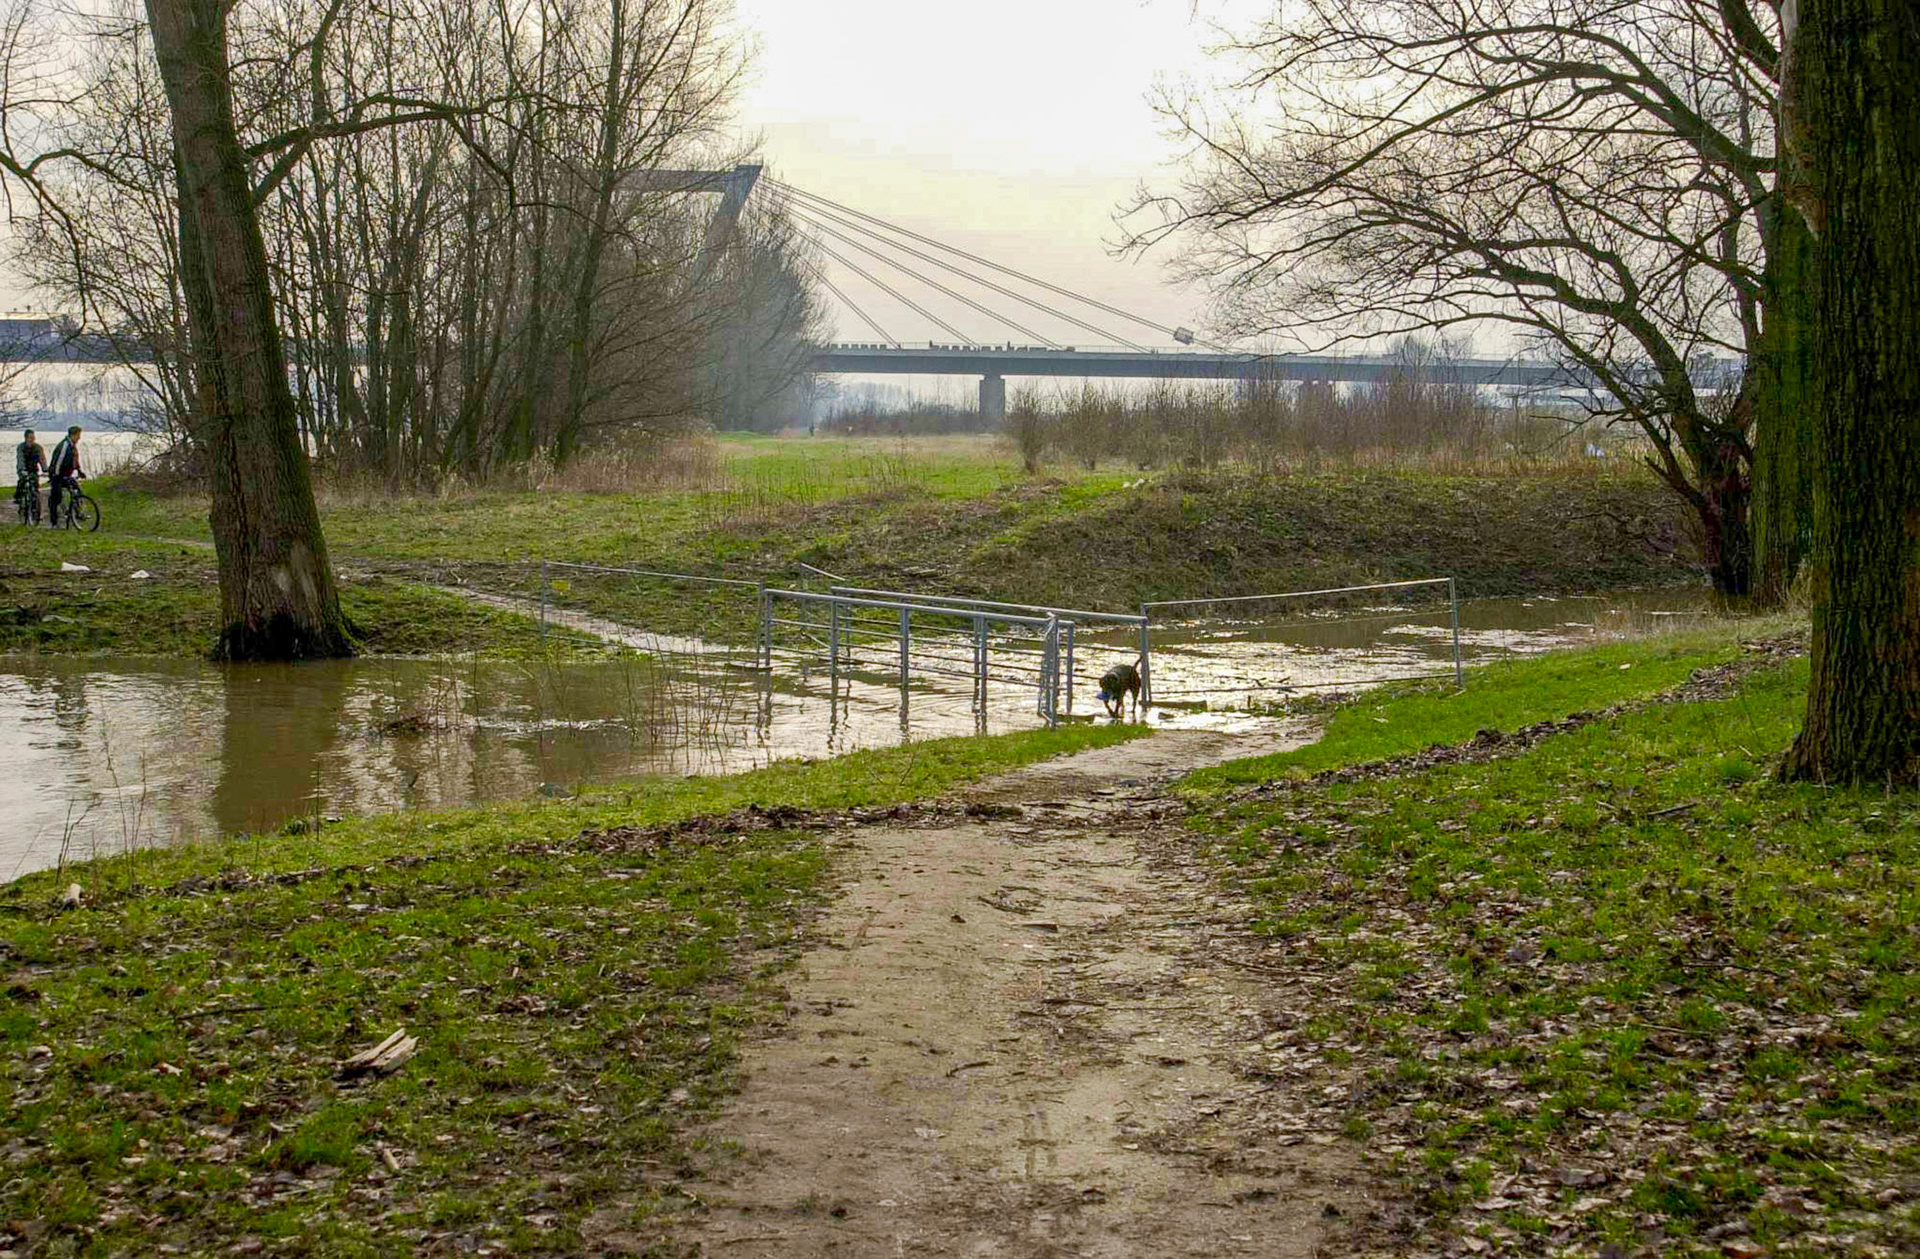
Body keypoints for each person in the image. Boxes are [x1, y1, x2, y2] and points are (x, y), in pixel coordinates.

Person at [46, 426, 82, 527]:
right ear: (73, 435)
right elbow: (58, 461)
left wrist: (80, 471)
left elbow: (75, 460)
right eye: (78, 435)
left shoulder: (73, 446)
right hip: (57, 475)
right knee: (56, 498)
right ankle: (54, 522)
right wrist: (56, 476)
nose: (79, 438)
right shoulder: (65, 445)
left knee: (77, 489)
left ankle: (77, 511)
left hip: (66, 475)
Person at [14, 428, 45, 523]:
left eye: (33, 438)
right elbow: (20, 459)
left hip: (33, 470)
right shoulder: (21, 447)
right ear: (26, 438)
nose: (32, 440)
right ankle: (18, 497)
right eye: (30, 438)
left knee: (35, 488)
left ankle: (36, 511)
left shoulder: (38, 448)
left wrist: (45, 469)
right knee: (22, 482)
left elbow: (42, 459)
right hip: (23, 469)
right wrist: (22, 469)